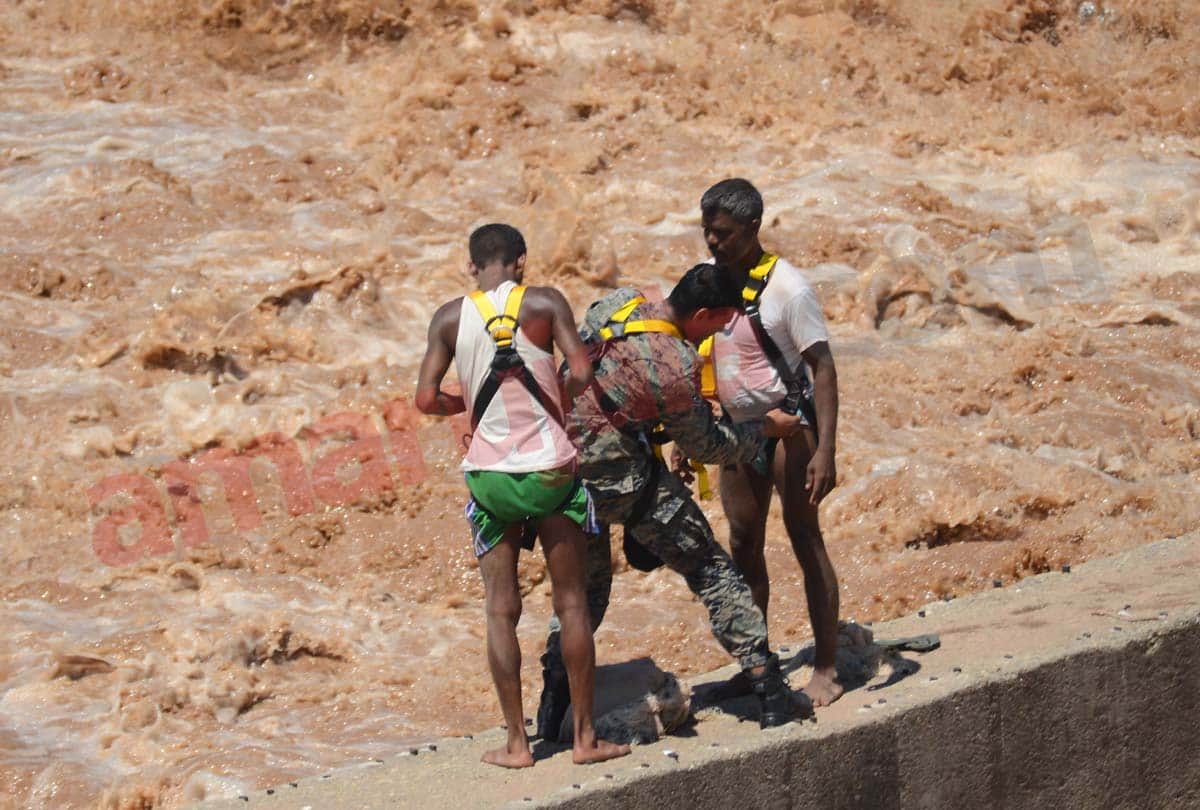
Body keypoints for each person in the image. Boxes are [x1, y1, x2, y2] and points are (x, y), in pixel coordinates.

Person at [536, 263, 807, 740]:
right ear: (701, 313)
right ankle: (770, 693)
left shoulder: (614, 303)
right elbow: (711, 447)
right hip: (625, 483)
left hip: (565, 477)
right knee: (712, 571)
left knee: (585, 597)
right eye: (719, 322)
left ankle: (551, 705)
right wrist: (767, 428)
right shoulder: (675, 363)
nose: (720, 332)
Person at [415, 223, 629, 768]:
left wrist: (465, 406)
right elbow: (581, 372)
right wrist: (554, 397)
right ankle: (583, 740)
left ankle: (516, 744)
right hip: (551, 472)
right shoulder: (544, 302)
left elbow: (424, 399)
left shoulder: (448, 317)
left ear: (472, 267)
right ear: (522, 263)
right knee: (572, 603)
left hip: (489, 480)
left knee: (500, 609)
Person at [697, 178, 844, 707]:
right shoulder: (709, 284)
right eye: (708, 233)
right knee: (742, 542)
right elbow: (697, 347)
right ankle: (756, 661)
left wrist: (825, 448)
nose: (713, 244)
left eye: (724, 234)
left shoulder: (789, 288)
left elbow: (822, 369)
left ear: (754, 228)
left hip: (791, 427)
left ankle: (825, 667)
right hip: (736, 428)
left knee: (805, 538)